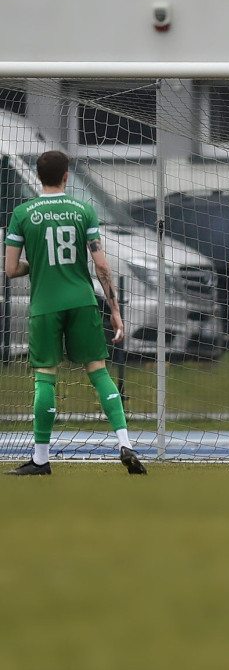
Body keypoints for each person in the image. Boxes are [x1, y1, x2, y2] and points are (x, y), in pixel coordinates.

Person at [3, 150, 146, 476]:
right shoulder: (83, 210)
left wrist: (35, 264)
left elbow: (11, 269)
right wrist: (115, 311)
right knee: (99, 372)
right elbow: (101, 265)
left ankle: (41, 459)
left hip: (45, 305)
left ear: (38, 177)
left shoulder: (23, 213)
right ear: (67, 176)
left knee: (45, 379)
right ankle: (125, 442)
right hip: (82, 301)